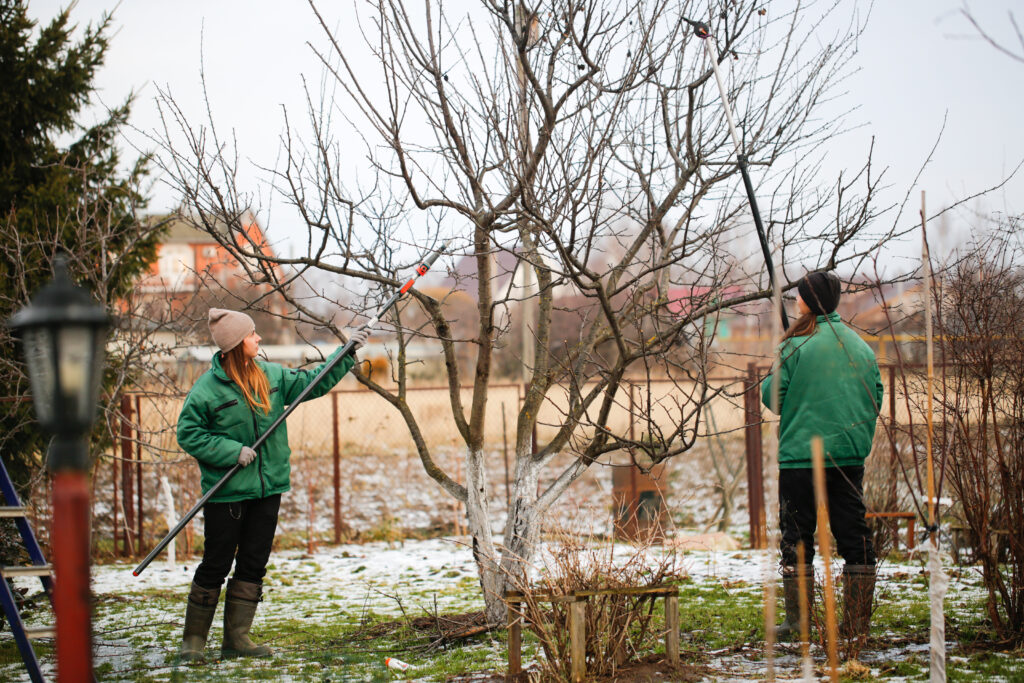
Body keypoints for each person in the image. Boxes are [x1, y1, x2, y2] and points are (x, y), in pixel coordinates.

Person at [175, 308, 368, 661]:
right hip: (228, 491)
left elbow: (314, 382)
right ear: (236, 343)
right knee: (216, 563)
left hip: (268, 489)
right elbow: (189, 434)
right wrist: (232, 451)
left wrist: (346, 354)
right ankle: (193, 643)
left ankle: (237, 640)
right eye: (252, 334)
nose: (258, 339)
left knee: (253, 562)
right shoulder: (206, 390)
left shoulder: (271, 375)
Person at [761, 271, 883, 640]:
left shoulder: (794, 346)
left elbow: (772, 398)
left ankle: (799, 624)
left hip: (800, 457)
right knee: (854, 534)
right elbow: (875, 396)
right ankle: (856, 624)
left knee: (797, 534)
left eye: (798, 296)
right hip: (848, 457)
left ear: (806, 302)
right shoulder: (859, 346)